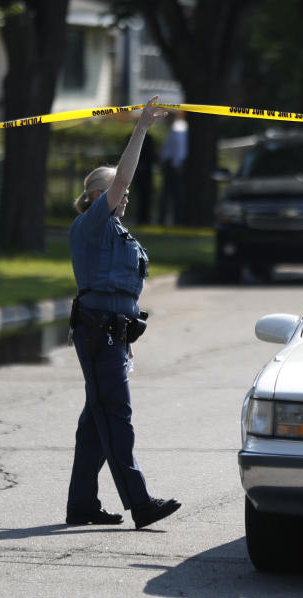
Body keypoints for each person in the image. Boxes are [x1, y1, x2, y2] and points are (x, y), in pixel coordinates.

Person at [66, 95, 181, 530]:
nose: (126, 194)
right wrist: (141, 127)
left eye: (126, 191)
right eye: (119, 190)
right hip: (98, 333)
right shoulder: (92, 225)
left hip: (113, 334)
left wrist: (128, 341)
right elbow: (122, 177)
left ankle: (82, 505)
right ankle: (140, 503)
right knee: (116, 415)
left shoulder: (116, 231)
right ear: (98, 195)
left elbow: (123, 294)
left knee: (97, 421)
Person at [158, 110, 188, 225]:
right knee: (171, 194)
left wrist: (176, 164)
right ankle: (171, 219)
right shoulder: (176, 128)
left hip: (173, 166)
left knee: (171, 194)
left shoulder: (177, 130)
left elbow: (179, 149)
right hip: (172, 165)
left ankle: (175, 220)